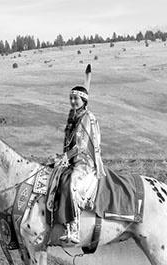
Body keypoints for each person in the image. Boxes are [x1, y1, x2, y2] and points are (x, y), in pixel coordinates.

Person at [56, 65, 105, 244]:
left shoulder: (87, 118)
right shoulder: (75, 115)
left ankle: (74, 227)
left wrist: (65, 157)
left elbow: (82, 144)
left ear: (83, 100)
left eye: (76, 98)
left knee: (72, 185)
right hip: (71, 160)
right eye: (71, 98)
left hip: (85, 162)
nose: (72, 101)